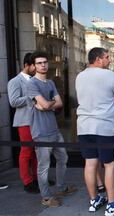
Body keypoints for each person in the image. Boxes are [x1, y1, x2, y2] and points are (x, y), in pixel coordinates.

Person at [76, 47, 114, 215]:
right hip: (106, 127)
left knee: (90, 164)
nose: (109, 60)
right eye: (107, 57)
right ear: (98, 60)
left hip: (84, 127)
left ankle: (94, 200)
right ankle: (112, 203)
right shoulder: (108, 75)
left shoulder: (79, 76)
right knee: (110, 164)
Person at [26, 51, 77, 207]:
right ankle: (46, 197)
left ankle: (61, 188)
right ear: (34, 66)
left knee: (63, 158)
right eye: (39, 63)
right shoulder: (31, 83)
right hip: (40, 132)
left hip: (54, 130)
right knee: (44, 166)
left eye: (45, 62)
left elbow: (59, 103)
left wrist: (45, 105)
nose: (43, 65)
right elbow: (50, 104)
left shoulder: (50, 83)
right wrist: (47, 104)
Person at [7, 53, 39, 194]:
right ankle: (27, 181)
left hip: (38, 120)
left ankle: (38, 178)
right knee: (26, 152)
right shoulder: (15, 81)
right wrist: (32, 98)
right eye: (35, 65)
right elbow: (13, 101)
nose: (37, 68)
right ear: (27, 65)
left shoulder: (36, 80)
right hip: (24, 121)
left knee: (38, 151)